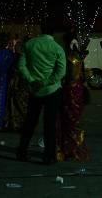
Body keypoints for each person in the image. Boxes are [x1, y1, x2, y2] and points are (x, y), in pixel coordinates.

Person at [16, 24, 66, 165]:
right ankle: (48, 156)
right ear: (53, 33)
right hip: (51, 90)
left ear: (41, 30)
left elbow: (21, 66)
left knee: (30, 122)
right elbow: (61, 72)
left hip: (34, 90)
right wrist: (47, 82)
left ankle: (22, 151)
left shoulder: (29, 44)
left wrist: (32, 80)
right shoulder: (57, 48)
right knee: (50, 124)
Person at [56, 30, 89, 162]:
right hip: (73, 92)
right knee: (70, 121)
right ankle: (70, 148)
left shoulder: (70, 57)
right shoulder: (74, 57)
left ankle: (69, 148)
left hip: (71, 92)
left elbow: (69, 75)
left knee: (69, 121)